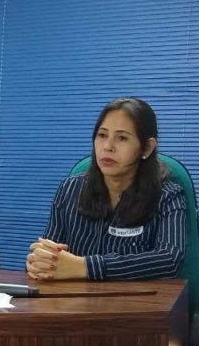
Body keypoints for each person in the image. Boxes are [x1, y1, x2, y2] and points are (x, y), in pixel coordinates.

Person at [26, 97, 186, 282]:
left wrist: (85, 267)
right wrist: (39, 262)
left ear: (147, 148)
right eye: (102, 135)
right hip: (73, 298)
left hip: (136, 299)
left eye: (122, 138)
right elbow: (50, 256)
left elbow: (169, 260)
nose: (108, 147)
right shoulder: (69, 190)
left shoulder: (167, 196)